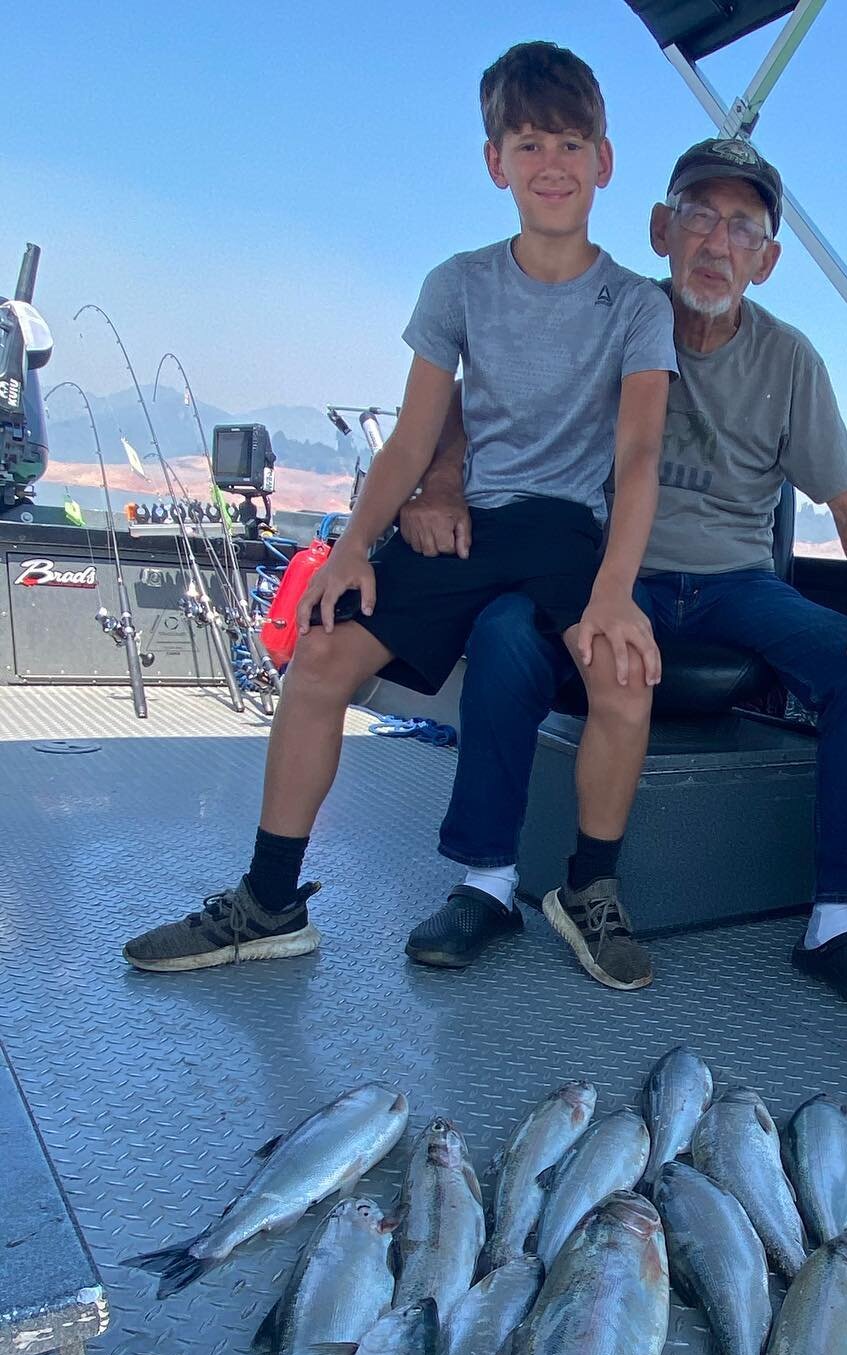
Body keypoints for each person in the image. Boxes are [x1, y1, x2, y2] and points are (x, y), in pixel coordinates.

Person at [121, 41, 675, 977]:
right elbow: (415, 438)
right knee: (324, 649)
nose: (552, 165)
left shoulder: (633, 305)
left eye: (571, 145)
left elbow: (639, 451)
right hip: (476, 525)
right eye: (529, 144)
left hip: (568, 534)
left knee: (623, 673)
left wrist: (615, 592)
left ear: (605, 163)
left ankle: (589, 888)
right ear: (496, 161)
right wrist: (353, 546)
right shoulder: (457, 283)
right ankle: (269, 902)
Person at [402, 136, 847, 1017]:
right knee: (502, 636)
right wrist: (441, 480)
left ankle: (836, 921)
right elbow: (465, 394)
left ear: (768, 259)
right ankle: (487, 884)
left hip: (735, 587)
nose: (716, 243)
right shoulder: (605, 310)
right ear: (657, 229)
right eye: (698, 216)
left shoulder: (792, 361)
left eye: (742, 228)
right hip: (608, 572)